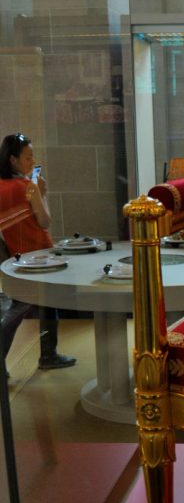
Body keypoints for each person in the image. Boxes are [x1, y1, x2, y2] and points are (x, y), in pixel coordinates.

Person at [0, 133, 76, 370]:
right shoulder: (28, 187)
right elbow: (45, 221)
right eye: (28, 157)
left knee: (36, 304)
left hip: (16, 255)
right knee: (24, 307)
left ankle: (48, 354)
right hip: (38, 254)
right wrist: (42, 194)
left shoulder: (1, 186)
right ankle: (47, 355)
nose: (32, 162)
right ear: (13, 160)